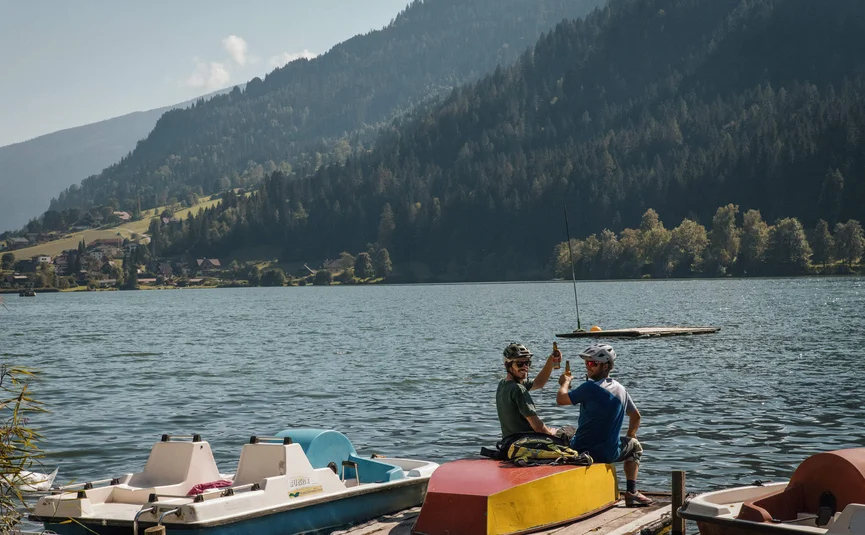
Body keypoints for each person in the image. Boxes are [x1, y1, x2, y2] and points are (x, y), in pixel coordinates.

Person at [556, 343, 653, 507]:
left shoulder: (589, 388)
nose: (588, 367)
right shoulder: (621, 390)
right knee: (635, 447)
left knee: (562, 431)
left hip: (581, 450)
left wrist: (564, 383)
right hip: (609, 453)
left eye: (593, 363)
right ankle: (632, 492)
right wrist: (631, 435)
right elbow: (636, 416)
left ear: (606, 365)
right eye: (587, 363)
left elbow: (561, 399)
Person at [496, 342, 564, 441]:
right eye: (519, 364)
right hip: (526, 443)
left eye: (527, 363)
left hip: (509, 443)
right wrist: (552, 434)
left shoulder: (503, 384)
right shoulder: (518, 389)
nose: (525, 367)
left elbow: (538, 383)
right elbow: (539, 428)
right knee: (569, 432)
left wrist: (551, 361)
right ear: (508, 365)